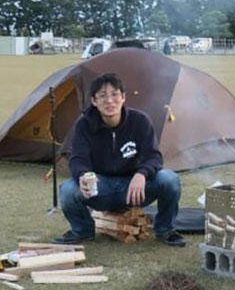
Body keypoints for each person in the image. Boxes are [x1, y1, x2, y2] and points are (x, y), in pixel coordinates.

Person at [54, 72, 185, 246]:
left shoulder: (140, 121)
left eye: (114, 94)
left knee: (169, 179)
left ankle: (165, 230)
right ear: (94, 101)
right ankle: (82, 231)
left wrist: (142, 174)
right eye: (102, 96)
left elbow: (153, 157)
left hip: (134, 188)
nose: (109, 101)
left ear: (123, 97)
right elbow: (78, 159)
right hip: (101, 188)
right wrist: (83, 175)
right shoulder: (84, 124)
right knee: (68, 190)